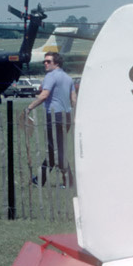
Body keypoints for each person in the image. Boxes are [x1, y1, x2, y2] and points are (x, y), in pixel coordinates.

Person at [25, 50, 77, 187]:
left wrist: (29, 108)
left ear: (56, 63)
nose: (45, 64)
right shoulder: (68, 78)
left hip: (54, 116)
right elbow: (74, 99)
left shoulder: (50, 76)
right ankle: (40, 180)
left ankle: (68, 181)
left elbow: (44, 95)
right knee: (56, 148)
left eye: (48, 61)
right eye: (44, 61)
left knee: (56, 149)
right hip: (66, 116)